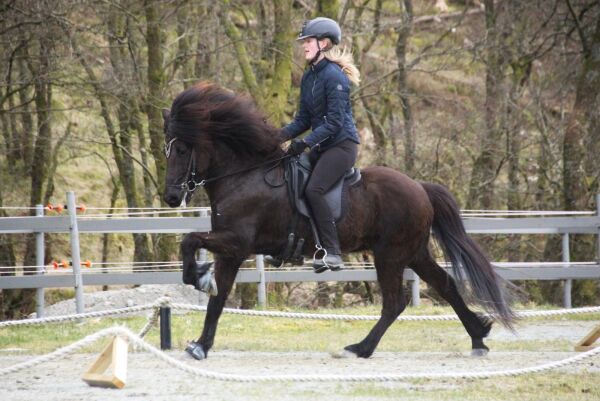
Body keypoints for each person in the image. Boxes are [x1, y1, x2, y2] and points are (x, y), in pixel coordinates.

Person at [281, 17, 361, 273]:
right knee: (289, 175)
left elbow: (335, 123)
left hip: (342, 146)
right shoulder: (309, 77)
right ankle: (287, 246)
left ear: (323, 43)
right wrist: (274, 137)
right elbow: (303, 119)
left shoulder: (334, 77)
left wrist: (303, 143)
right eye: (303, 41)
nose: (303, 46)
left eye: (307, 41)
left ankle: (333, 252)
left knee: (314, 189)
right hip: (322, 146)